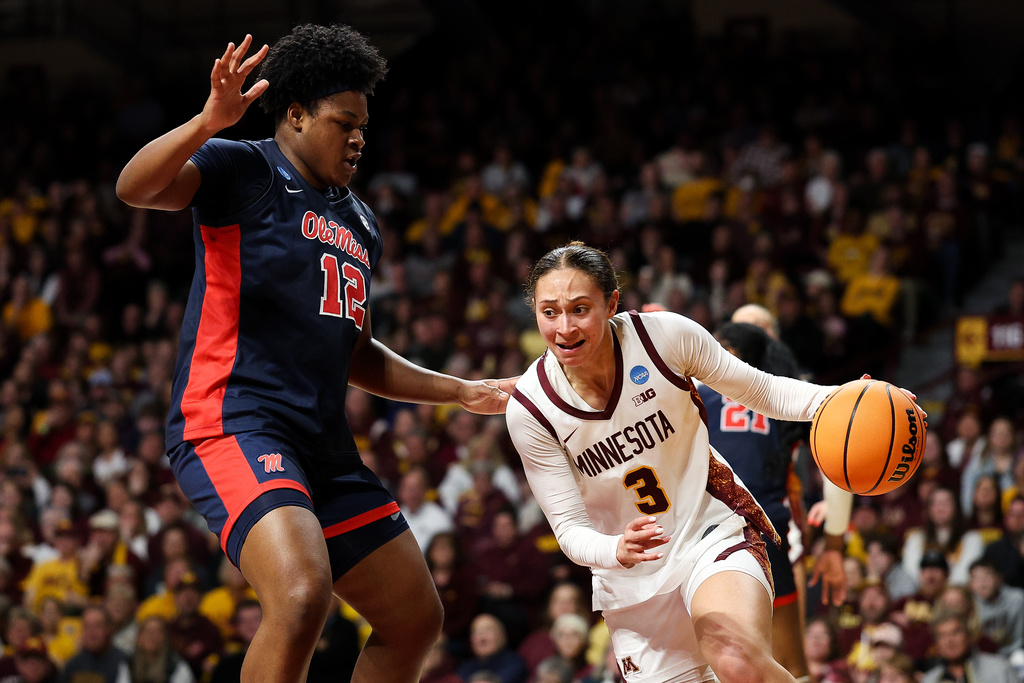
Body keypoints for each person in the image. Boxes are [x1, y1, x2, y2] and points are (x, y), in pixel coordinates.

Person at [114, 24, 513, 683]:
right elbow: (136, 186)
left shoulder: (360, 221)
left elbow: (358, 353)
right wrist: (208, 122)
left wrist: (458, 390)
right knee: (301, 596)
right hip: (234, 418)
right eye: (343, 121)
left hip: (322, 443)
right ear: (294, 115)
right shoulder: (243, 167)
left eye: (364, 124)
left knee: (415, 618)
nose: (358, 136)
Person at [505, 242, 922, 682]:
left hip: (710, 531)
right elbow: (569, 529)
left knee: (737, 660)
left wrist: (847, 399)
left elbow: (762, 390)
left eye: (580, 308)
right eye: (549, 312)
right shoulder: (530, 410)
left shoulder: (664, 337)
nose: (565, 327)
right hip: (631, 579)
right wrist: (615, 548)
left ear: (612, 304)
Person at [702, 321, 851, 679]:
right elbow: (844, 449)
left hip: (705, 536)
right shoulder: (788, 397)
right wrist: (835, 539)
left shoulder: (697, 390)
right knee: (790, 666)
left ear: (731, 353)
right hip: (772, 533)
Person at [920, 608, 1017, 683]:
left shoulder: (998, 668)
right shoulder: (930, 680)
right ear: (937, 644)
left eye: (955, 632)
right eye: (942, 636)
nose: (949, 640)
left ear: (968, 636)